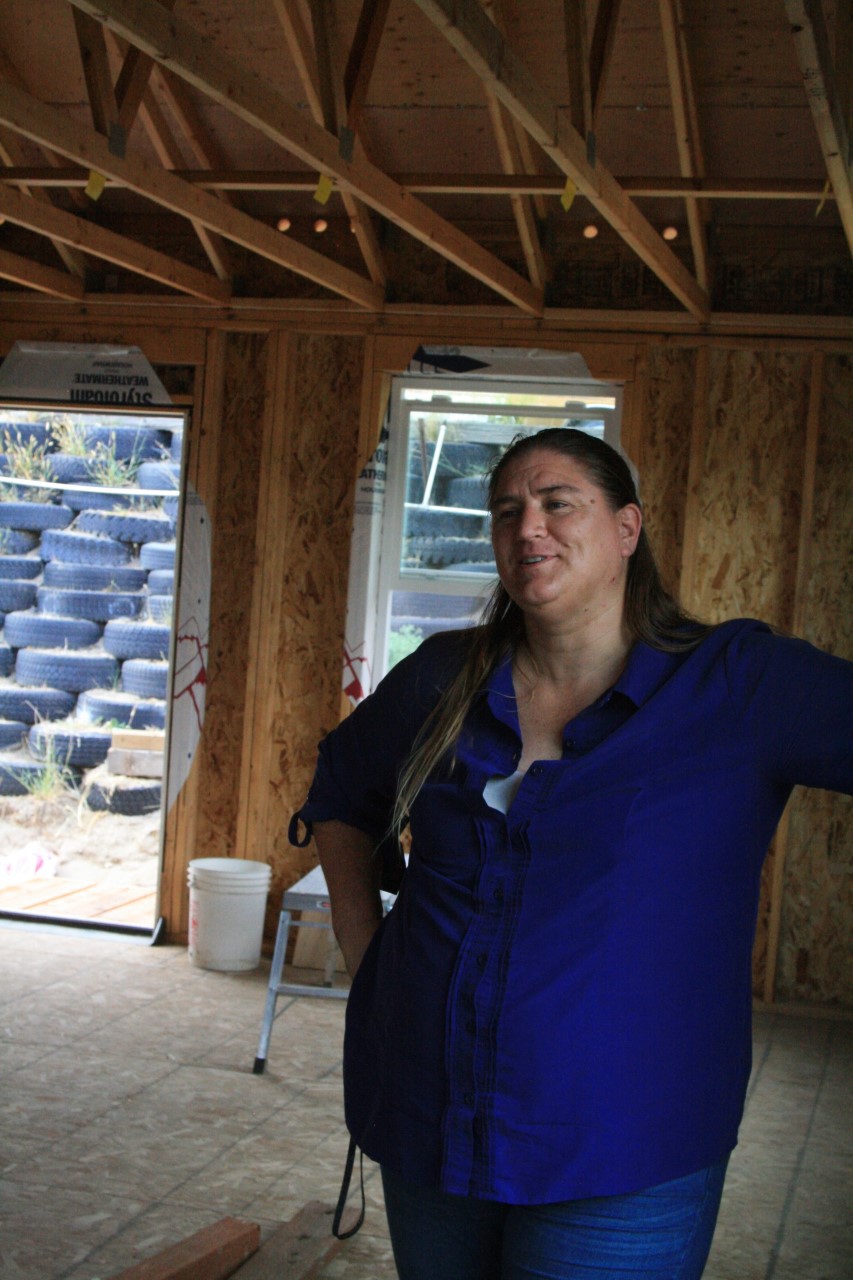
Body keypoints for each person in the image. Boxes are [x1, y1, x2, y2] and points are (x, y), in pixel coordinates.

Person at [291, 427, 852, 1280]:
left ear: (627, 529)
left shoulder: (737, 685)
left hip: (620, 1143)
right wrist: (366, 951)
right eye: (507, 511)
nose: (528, 529)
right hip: (429, 1118)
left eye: (558, 504)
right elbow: (340, 789)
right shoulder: (443, 676)